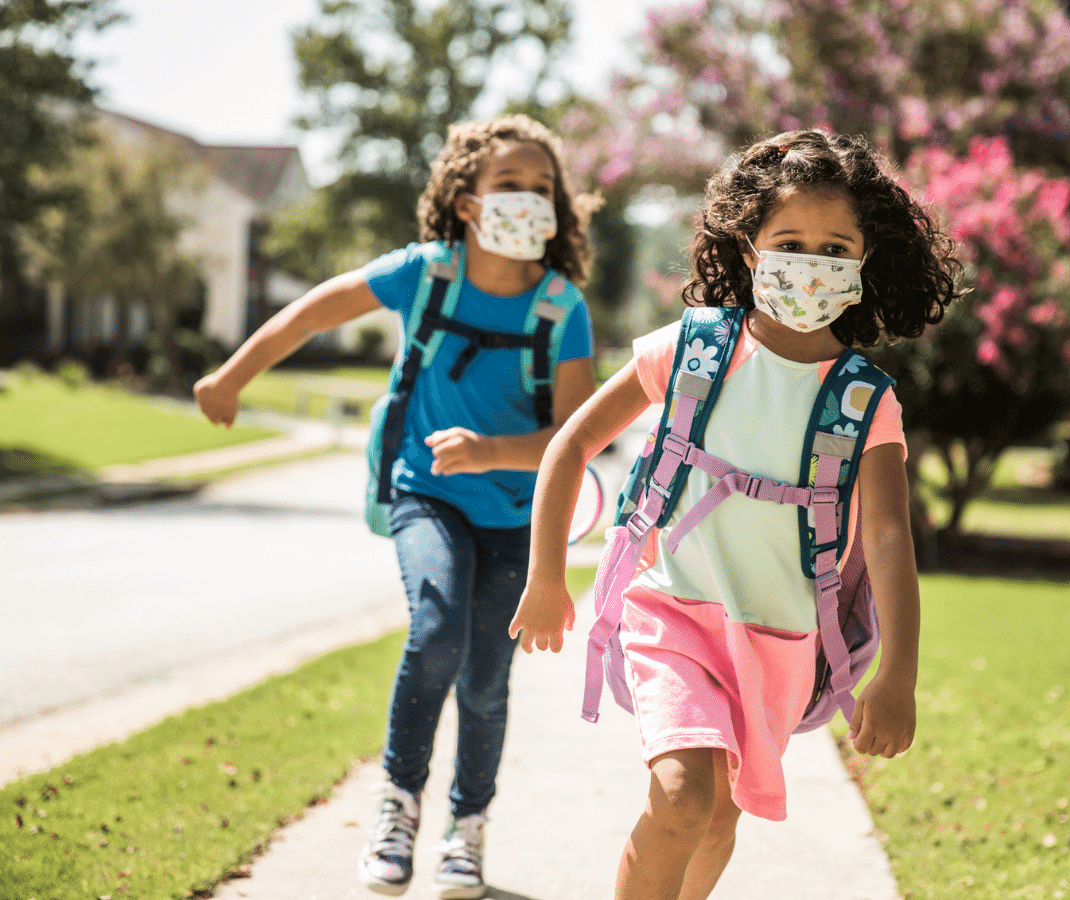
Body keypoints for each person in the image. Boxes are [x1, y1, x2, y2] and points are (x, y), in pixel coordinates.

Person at [509, 129, 962, 900]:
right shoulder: (690, 351)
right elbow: (571, 442)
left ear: (861, 263)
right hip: (674, 612)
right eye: (790, 242)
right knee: (684, 797)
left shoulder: (865, 400)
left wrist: (900, 674)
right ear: (750, 251)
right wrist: (546, 576)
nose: (810, 264)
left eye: (833, 247)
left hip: (781, 639)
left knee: (719, 818)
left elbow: (888, 537)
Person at [194, 115, 597, 899]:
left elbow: (572, 439)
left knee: (486, 682)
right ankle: (399, 805)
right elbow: (315, 309)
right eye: (508, 185)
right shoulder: (427, 273)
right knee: (438, 626)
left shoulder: (560, 308)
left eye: (541, 188)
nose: (528, 200)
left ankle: (466, 832)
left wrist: (488, 452)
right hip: (425, 493)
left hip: (516, 514)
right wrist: (231, 376)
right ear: (466, 201)